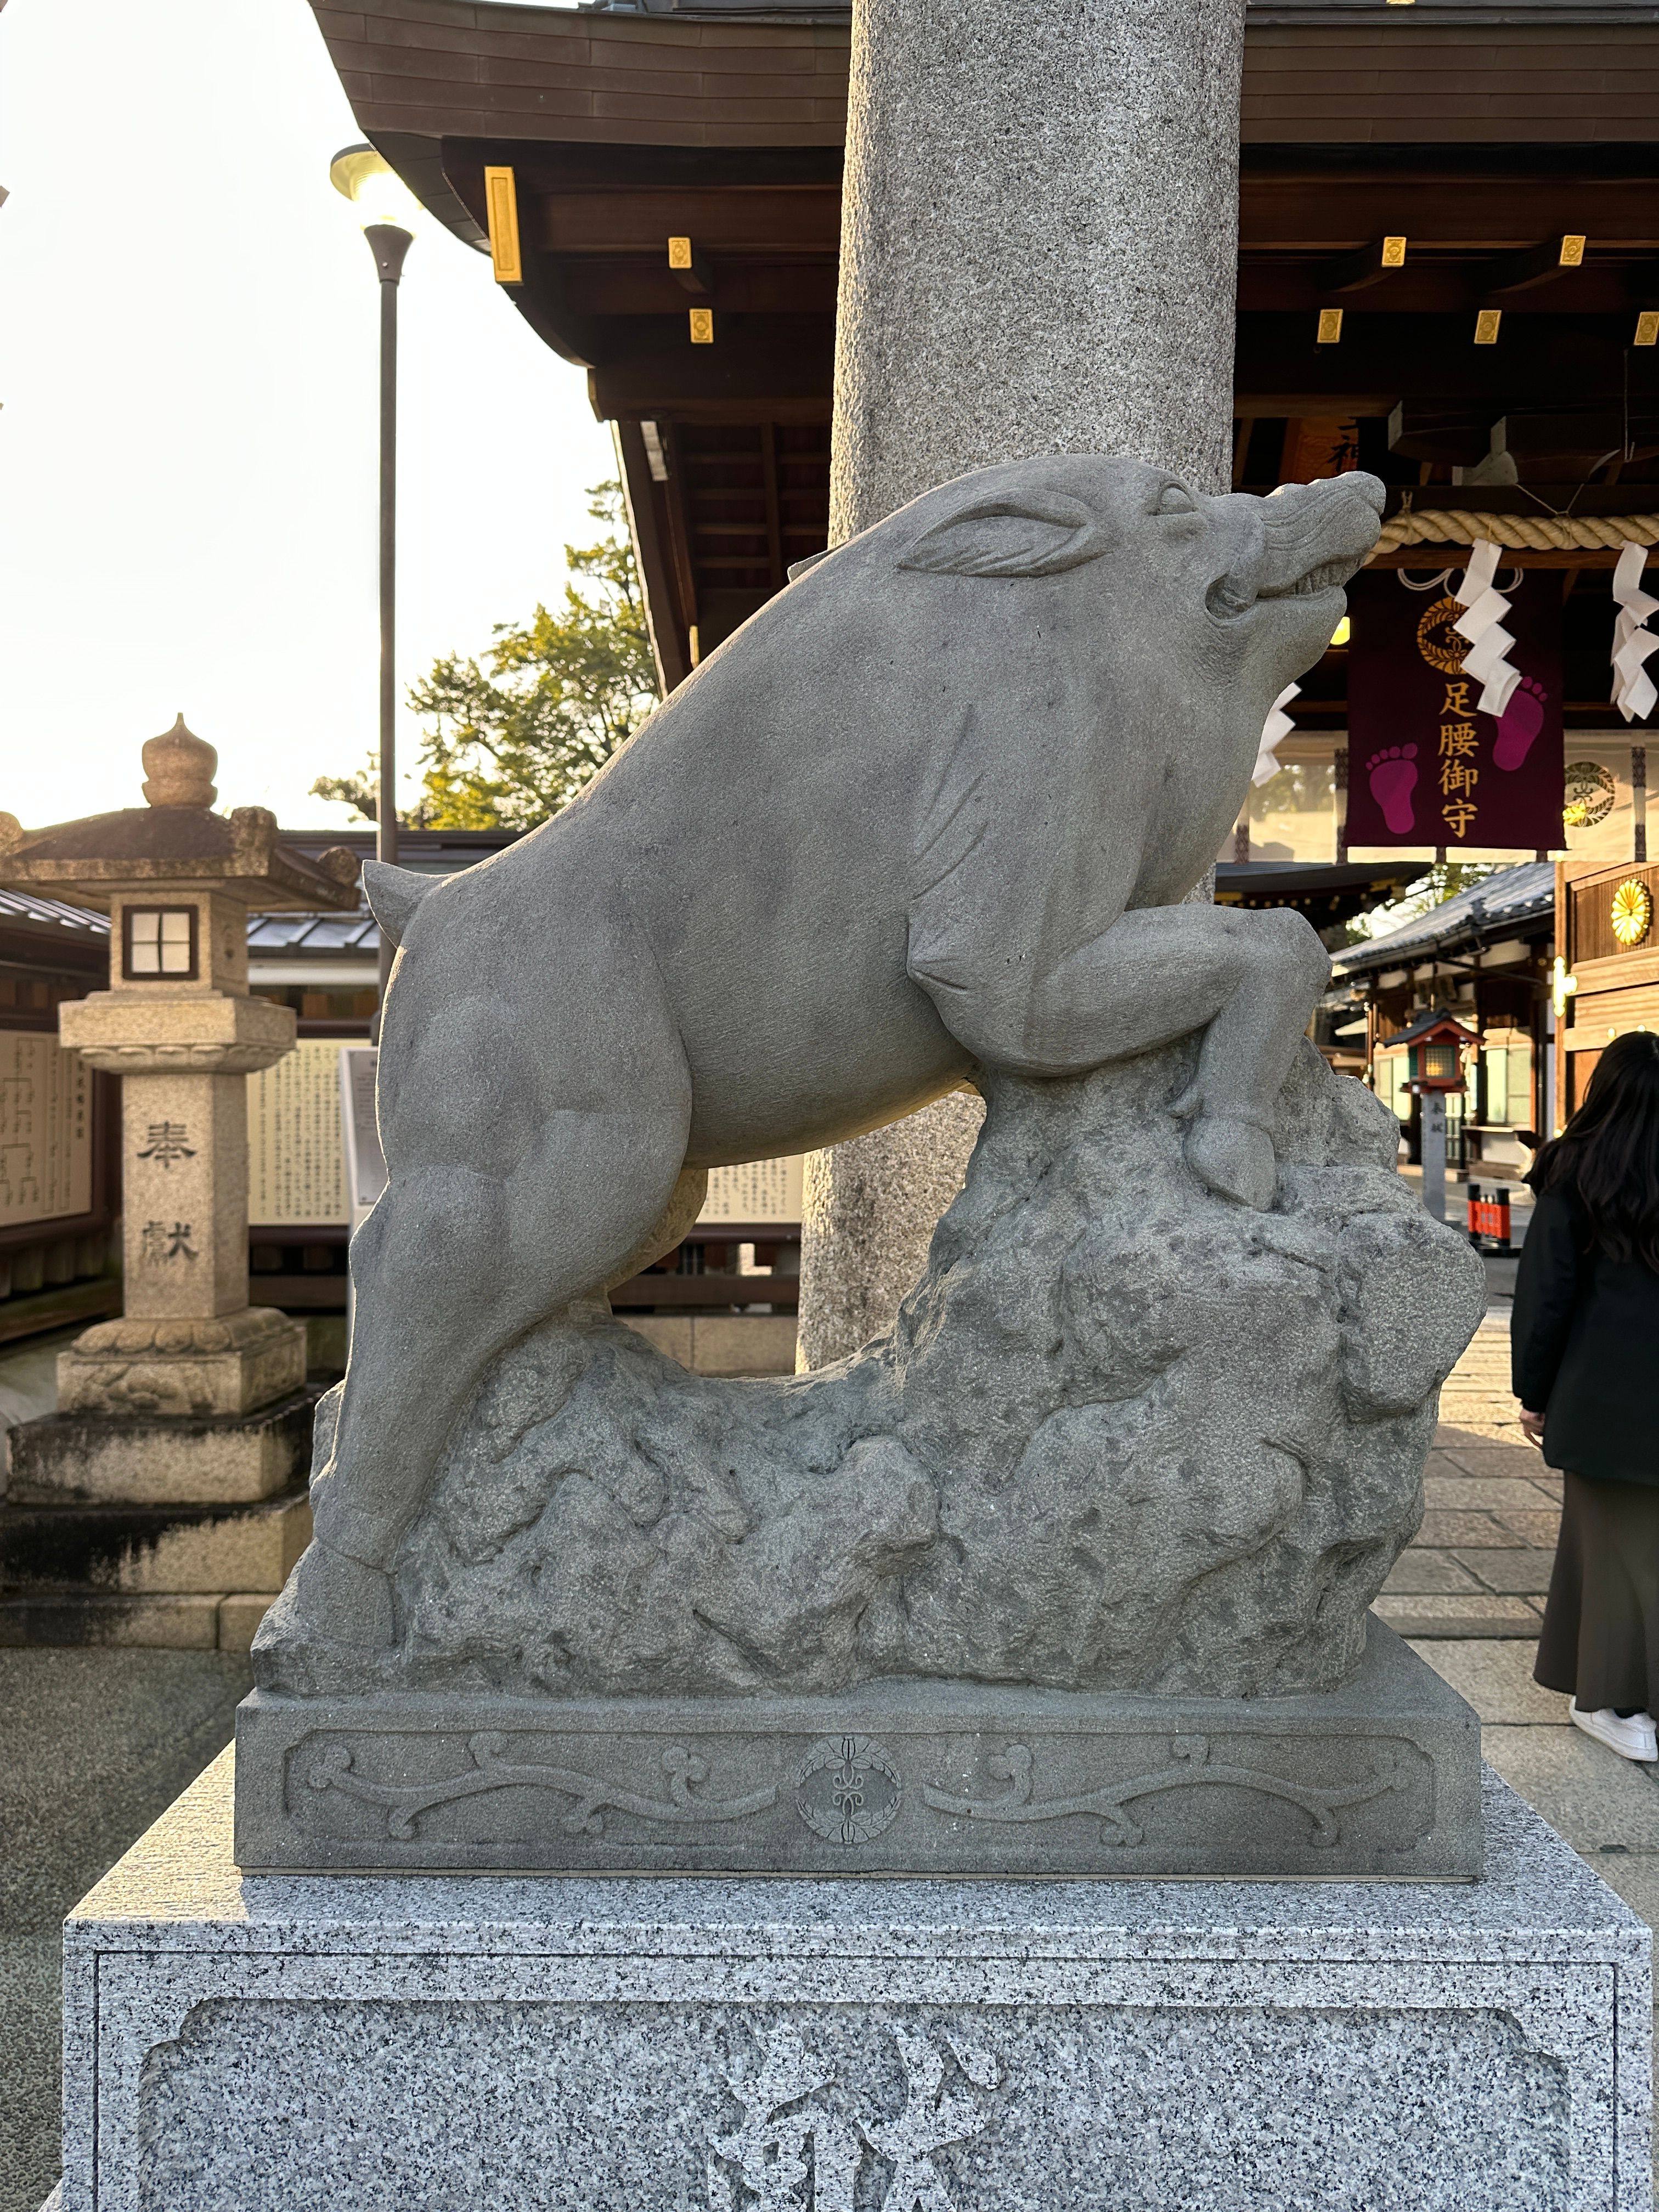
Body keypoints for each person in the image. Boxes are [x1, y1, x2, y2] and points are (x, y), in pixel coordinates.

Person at [1515, 1029, 1659, 1762]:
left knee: (1614, 1555)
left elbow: (1546, 1298)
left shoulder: (1574, 1174)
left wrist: (1533, 1394)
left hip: (1604, 1401)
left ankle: (1617, 1702)